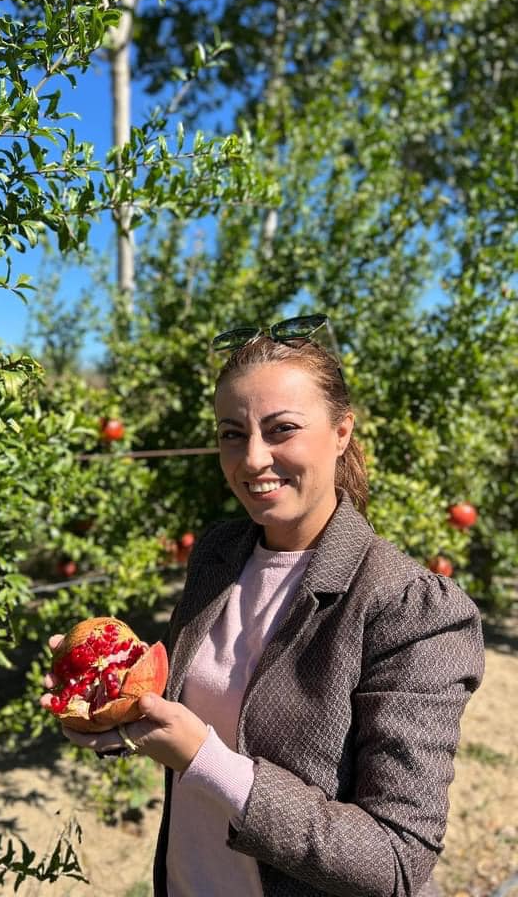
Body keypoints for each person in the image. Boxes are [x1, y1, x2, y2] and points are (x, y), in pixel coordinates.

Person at [42, 314, 485, 897]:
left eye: (281, 429)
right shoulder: (219, 555)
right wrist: (109, 702)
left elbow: (396, 860)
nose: (251, 459)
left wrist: (203, 758)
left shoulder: (411, 608)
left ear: (342, 431)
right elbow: (192, 715)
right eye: (232, 433)